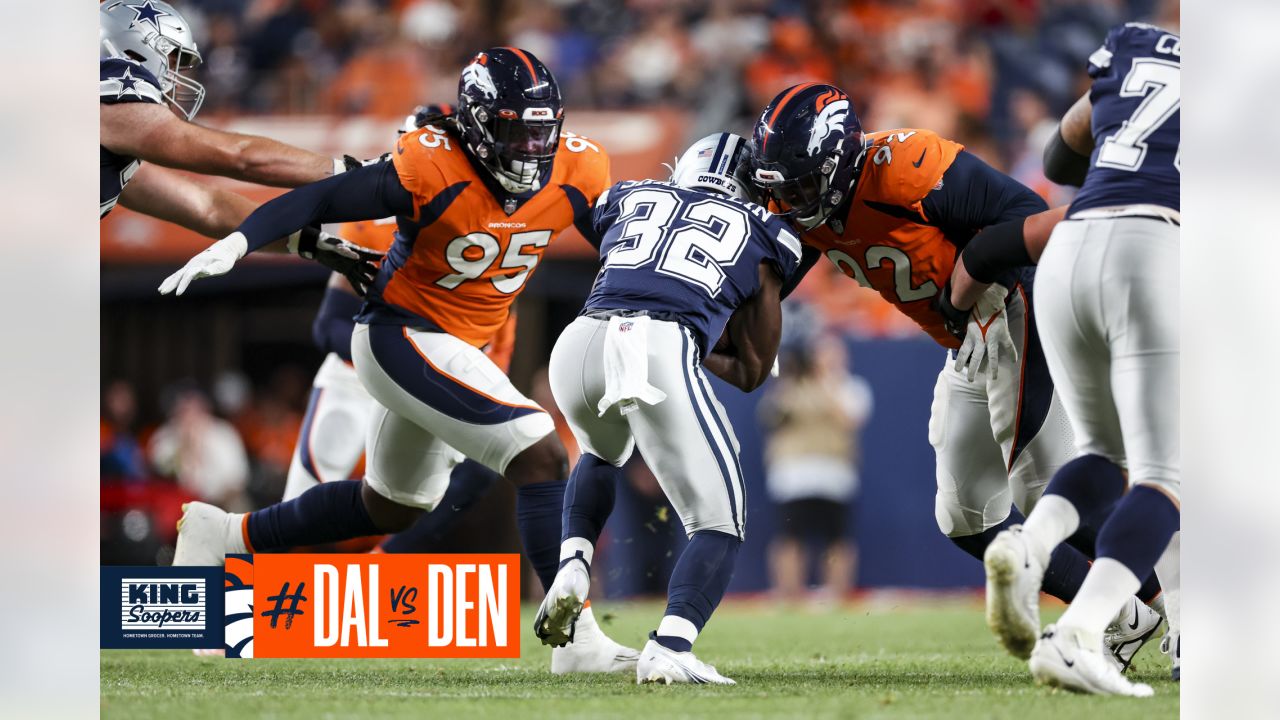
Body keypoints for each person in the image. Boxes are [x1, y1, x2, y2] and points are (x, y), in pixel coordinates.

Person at [162, 47, 636, 674]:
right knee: (540, 451)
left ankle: (223, 535)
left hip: (452, 348)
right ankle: (575, 645)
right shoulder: (430, 166)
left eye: (538, 132)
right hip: (398, 335)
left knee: (391, 505)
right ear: (474, 124)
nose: (528, 148)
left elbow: (623, 244)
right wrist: (243, 240)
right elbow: (320, 199)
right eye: (512, 131)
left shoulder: (578, 168)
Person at [745, 83, 1163, 668]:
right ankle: (1128, 615)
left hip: (1014, 303)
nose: (791, 202)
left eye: (803, 185)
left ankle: (1183, 610)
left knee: (1044, 490)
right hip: (965, 338)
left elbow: (1027, 218)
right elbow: (771, 273)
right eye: (781, 189)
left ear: (839, 162)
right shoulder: (803, 201)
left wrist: (966, 277)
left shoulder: (909, 167)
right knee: (964, 516)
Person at [946, 23, 1180, 696]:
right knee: (1166, 476)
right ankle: (1078, 635)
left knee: (1103, 455)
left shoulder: (1144, 46)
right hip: (1159, 249)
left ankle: (1031, 544)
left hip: (1071, 243)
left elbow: (1059, 155)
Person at [535, 132, 802, 685]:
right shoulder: (766, 228)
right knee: (720, 519)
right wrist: (704, 345)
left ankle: (574, 562)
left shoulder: (632, 194)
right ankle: (672, 643)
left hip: (580, 338)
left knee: (601, 450)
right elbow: (754, 371)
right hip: (658, 341)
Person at [99, 1, 377, 287]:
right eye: (171, 59)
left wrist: (307, 241)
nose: (176, 76)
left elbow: (208, 207)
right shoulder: (109, 94)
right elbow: (238, 156)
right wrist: (352, 172)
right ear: (131, 47)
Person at [759, 330, 871, 604]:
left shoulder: (852, 387)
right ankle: (789, 595)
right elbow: (770, 417)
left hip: (835, 472)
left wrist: (825, 383)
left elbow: (849, 419)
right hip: (794, 472)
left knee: (836, 537)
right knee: (790, 535)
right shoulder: (792, 387)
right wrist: (791, 381)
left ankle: (836, 594)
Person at [148, 385, 249, 511]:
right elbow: (162, 469)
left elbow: (236, 477)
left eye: (196, 410)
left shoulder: (224, 433)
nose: (191, 416)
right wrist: (186, 446)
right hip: (178, 503)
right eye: (185, 410)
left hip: (220, 502)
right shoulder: (165, 436)